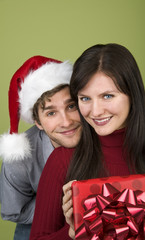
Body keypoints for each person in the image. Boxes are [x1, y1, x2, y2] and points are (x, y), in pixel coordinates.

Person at [29, 44, 145, 240]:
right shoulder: (63, 160)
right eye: (85, 98)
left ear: (132, 95)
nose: (95, 111)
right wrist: (73, 232)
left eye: (107, 96)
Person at [0, 55, 82, 240]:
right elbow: (13, 211)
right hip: (33, 224)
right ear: (37, 121)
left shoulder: (101, 132)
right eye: (51, 112)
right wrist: (58, 205)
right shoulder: (20, 158)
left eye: (71, 106)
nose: (66, 121)